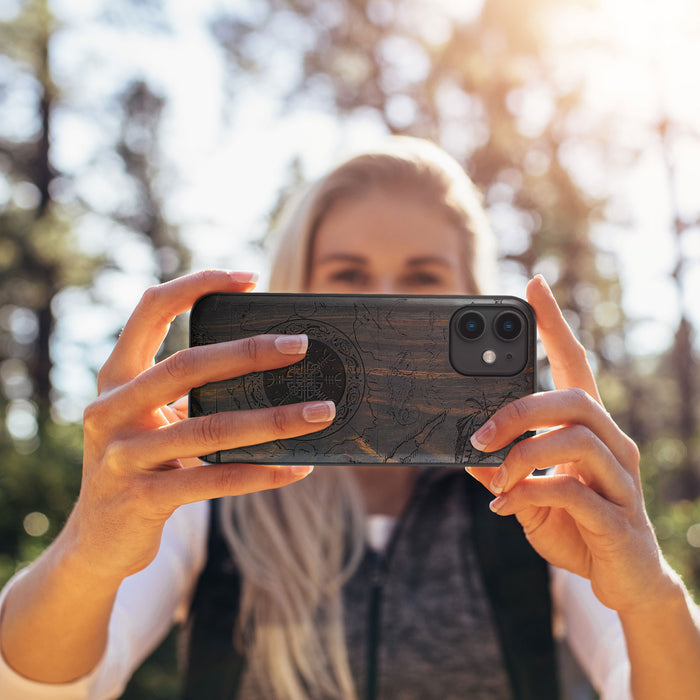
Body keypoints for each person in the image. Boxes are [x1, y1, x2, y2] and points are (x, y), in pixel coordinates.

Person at [0, 137, 699, 700]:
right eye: (348, 276)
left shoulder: (538, 496)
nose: (385, 305)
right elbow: (43, 689)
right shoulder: (207, 490)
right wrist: (88, 551)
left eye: (424, 280)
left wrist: (649, 594)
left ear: (468, 294)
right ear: (297, 291)